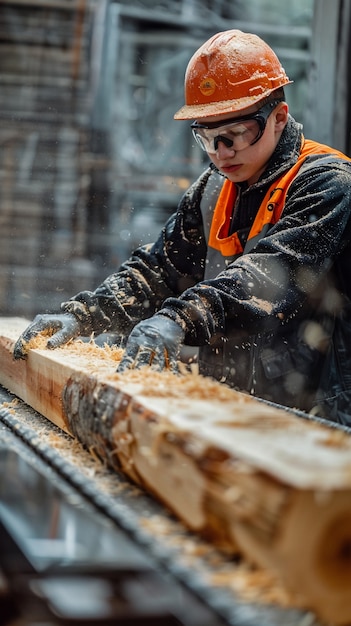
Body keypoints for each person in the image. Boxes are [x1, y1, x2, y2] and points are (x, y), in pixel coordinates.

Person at [14, 29, 351, 425]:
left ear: (278, 118)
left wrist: (178, 319)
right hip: (232, 407)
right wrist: (87, 314)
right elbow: (158, 269)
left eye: (236, 134)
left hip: (318, 414)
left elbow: (263, 279)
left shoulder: (329, 184)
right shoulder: (212, 189)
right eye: (206, 137)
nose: (220, 152)